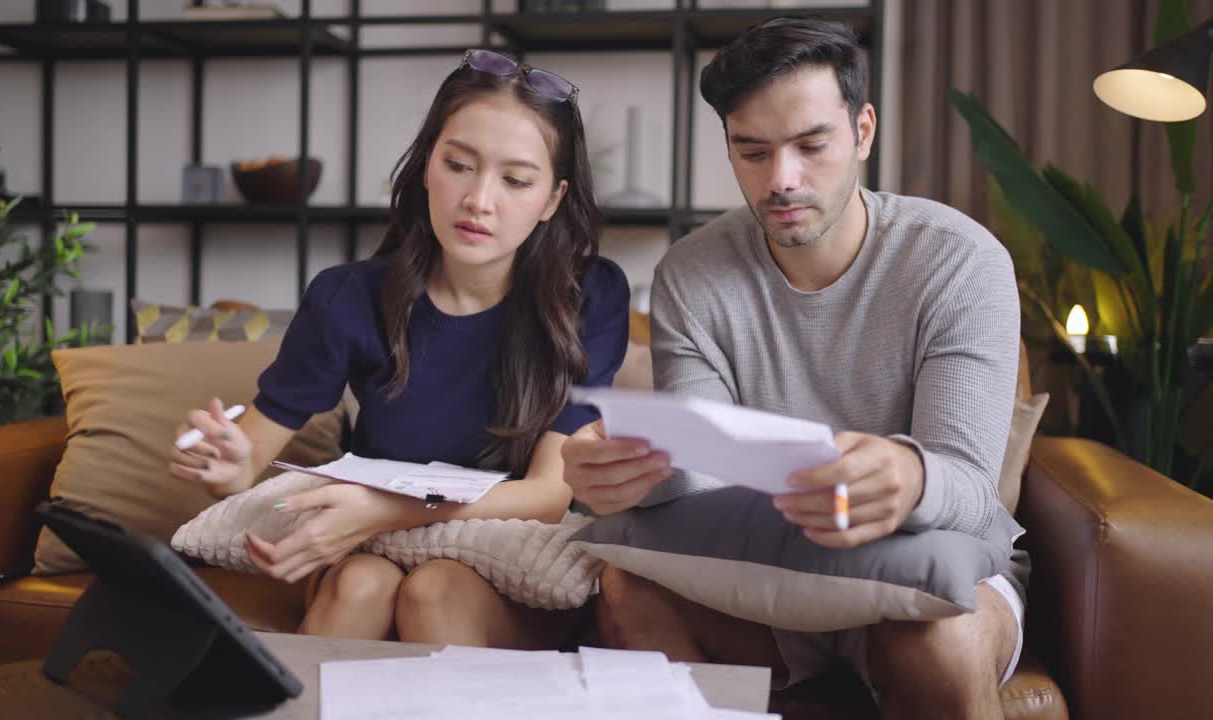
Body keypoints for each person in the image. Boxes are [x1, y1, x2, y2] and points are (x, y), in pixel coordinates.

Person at [561, 17, 1025, 720]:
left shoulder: (959, 262)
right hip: (766, 572)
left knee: (940, 642)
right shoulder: (694, 273)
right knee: (625, 593)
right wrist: (628, 475)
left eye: (812, 146)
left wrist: (909, 475)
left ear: (863, 131)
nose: (782, 180)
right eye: (752, 152)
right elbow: (701, 479)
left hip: (929, 572)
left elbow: (967, 484)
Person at [170, 49, 628, 650]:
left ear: (551, 199)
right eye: (458, 165)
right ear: (426, 167)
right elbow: (246, 462)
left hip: (507, 568)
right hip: (369, 558)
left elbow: (546, 496)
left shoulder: (589, 296)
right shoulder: (347, 297)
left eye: (515, 180)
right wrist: (226, 467)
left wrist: (384, 509)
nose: (479, 200)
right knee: (363, 582)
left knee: (432, 589)